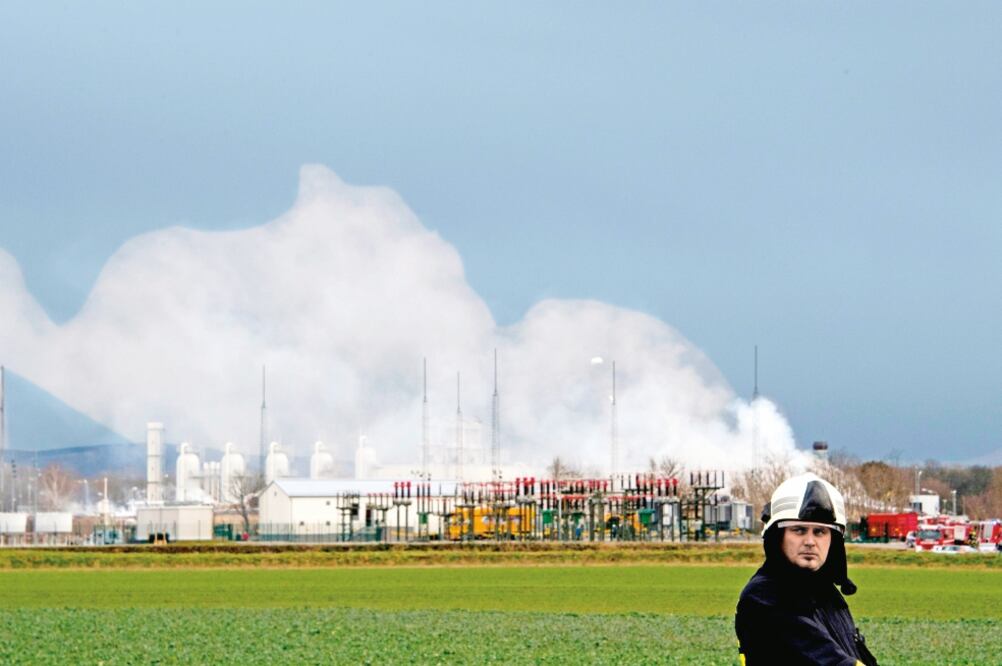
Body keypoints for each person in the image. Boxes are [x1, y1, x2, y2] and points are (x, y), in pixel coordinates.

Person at [735, 473, 878, 665]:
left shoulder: (824, 592)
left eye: (820, 532)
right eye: (799, 530)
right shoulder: (764, 596)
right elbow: (831, 661)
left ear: (833, 541)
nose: (810, 542)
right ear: (778, 537)